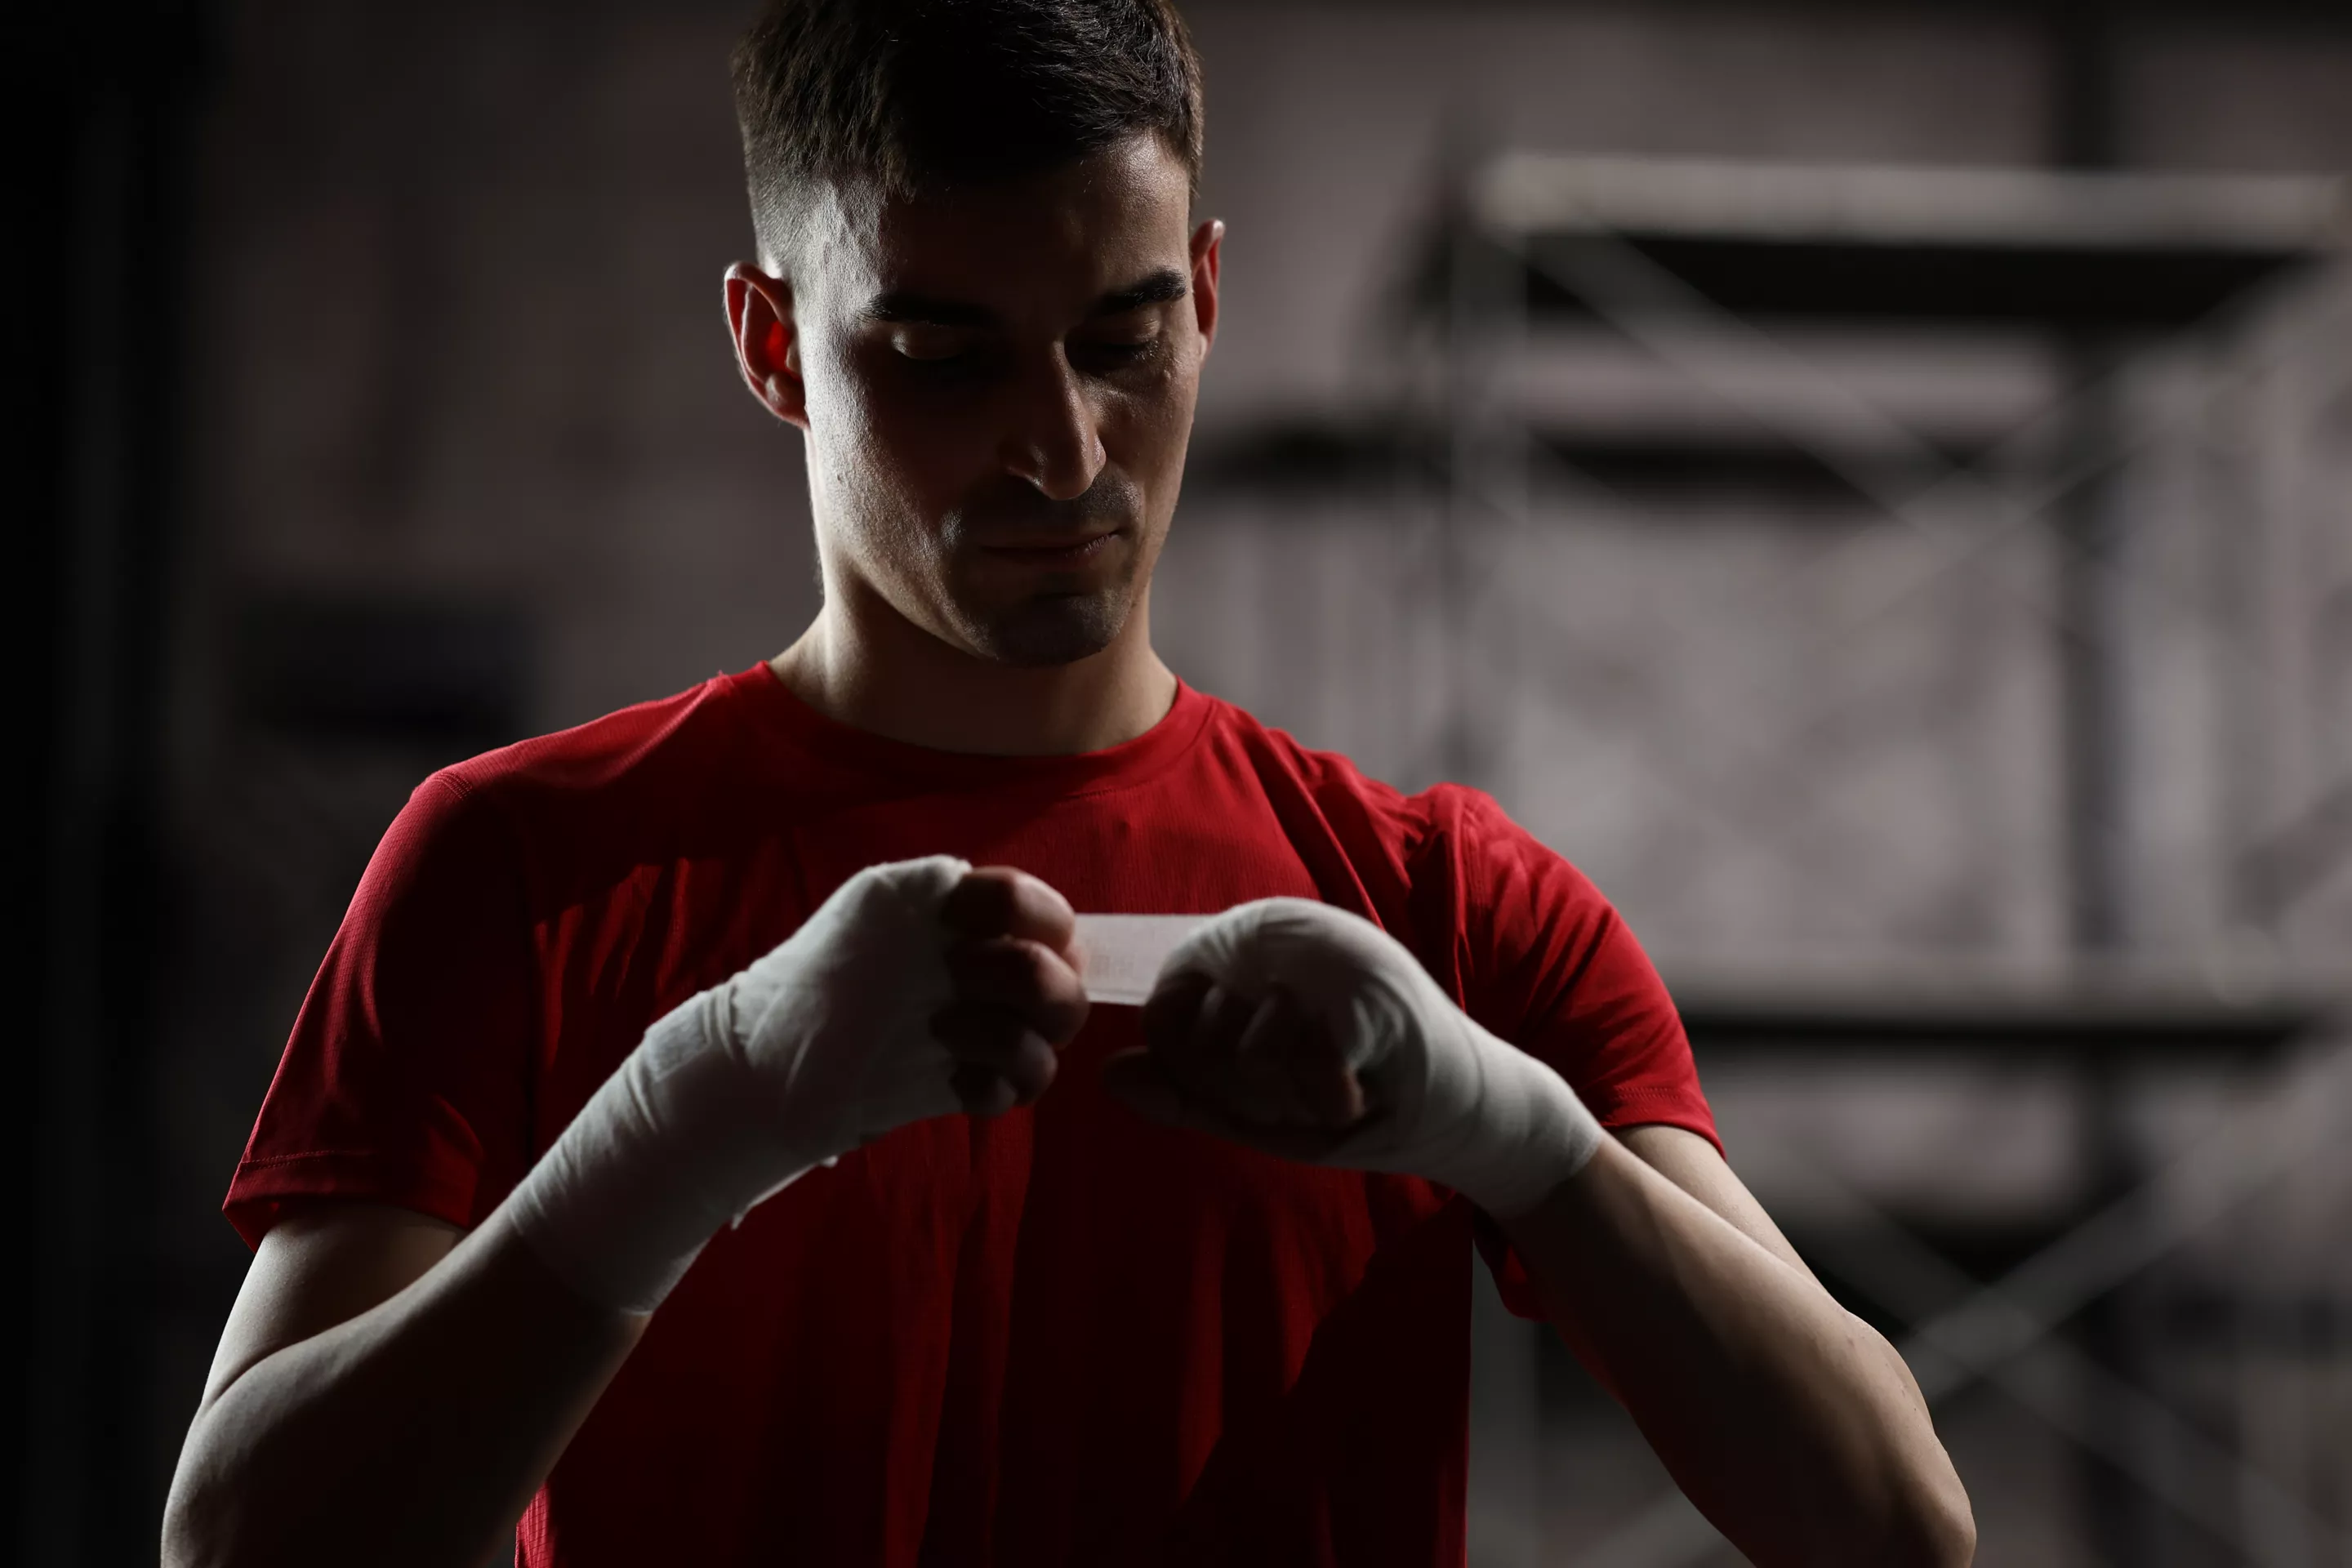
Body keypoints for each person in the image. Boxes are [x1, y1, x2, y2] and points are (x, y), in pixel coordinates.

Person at [163, 2, 1976, 1563]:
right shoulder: (525, 868)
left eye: (1120, 338)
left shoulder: (1446, 906)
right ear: (776, 345)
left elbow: (1892, 1523)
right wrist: (685, 1120)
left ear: (1203, 297)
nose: (1061, 446)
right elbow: (239, 1540)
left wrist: (1516, 1138)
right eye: (944, 357)